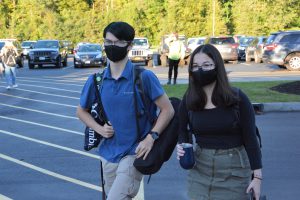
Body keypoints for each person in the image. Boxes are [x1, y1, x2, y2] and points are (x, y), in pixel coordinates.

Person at [76, 21, 174, 200]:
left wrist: (151, 137)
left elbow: (168, 110)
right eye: (108, 42)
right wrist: (99, 129)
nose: (112, 46)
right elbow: (81, 111)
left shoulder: (144, 78)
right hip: (107, 154)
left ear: (129, 45)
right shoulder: (97, 80)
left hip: (133, 153)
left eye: (118, 43)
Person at [176, 44, 262, 200]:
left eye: (206, 65)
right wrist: (182, 146)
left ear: (217, 67)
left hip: (234, 169)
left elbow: (251, 139)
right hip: (200, 168)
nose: (200, 70)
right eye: (195, 66)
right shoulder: (189, 98)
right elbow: (182, 129)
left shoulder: (237, 98)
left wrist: (257, 177)